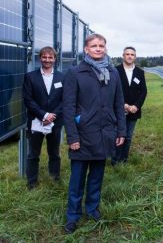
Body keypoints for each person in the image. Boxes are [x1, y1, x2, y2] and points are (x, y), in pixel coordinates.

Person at [63, 34, 126, 234]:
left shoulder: (112, 73)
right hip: (83, 135)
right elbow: (68, 107)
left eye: (101, 46)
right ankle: (72, 216)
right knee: (77, 179)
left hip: (105, 133)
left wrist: (121, 130)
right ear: (86, 49)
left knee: (97, 177)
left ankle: (92, 209)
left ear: (105, 49)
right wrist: (72, 137)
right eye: (94, 46)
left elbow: (118, 103)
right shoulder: (75, 73)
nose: (98, 49)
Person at [22, 46, 64, 189]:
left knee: (54, 153)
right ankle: (32, 183)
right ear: (40, 58)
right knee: (33, 154)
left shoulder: (62, 77)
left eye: (50, 57)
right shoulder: (30, 77)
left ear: (55, 59)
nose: (47, 60)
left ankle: (55, 179)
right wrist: (43, 115)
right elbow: (28, 99)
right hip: (36, 121)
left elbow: (65, 100)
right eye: (44, 57)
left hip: (55, 122)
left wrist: (52, 116)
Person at [111, 46, 147, 165]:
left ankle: (124, 159)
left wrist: (136, 106)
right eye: (127, 54)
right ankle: (115, 160)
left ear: (135, 57)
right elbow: (112, 91)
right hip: (118, 109)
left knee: (128, 136)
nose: (130, 56)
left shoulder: (139, 72)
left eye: (132, 54)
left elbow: (143, 92)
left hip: (133, 110)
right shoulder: (115, 71)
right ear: (123, 56)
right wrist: (123, 105)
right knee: (118, 135)